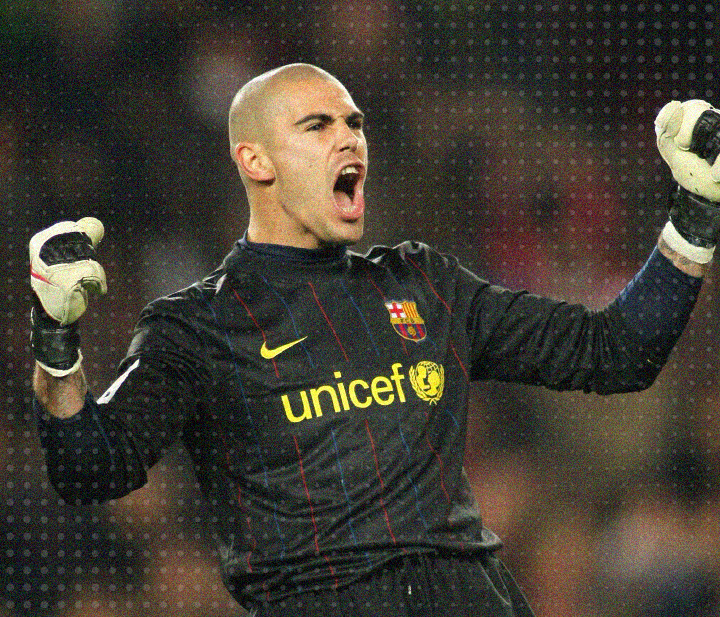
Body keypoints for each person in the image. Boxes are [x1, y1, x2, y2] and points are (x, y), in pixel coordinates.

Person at [29, 64, 720, 616]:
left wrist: (692, 217)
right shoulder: (196, 328)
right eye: (318, 124)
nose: (350, 138)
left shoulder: (426, 282)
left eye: (355, 122)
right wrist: (55, 340)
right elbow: (90, 465)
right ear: (256, 160)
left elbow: (615, 350)